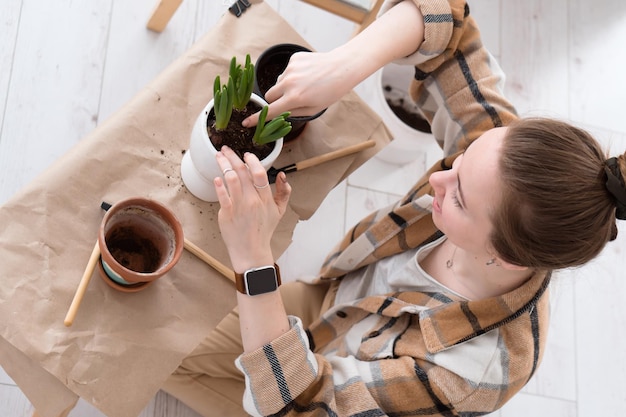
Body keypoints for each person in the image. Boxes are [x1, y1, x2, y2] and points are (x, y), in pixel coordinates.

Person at [163, 0, 626, 416]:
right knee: (171, 341)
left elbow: (301, 404)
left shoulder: (476, 373)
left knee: (167, 366)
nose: (437, 178)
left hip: (329, 382)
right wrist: (343, 67)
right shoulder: (503, 162)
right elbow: (448, 20)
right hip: (333, 300)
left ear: (505, 256)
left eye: (458, 197)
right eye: (462, 158)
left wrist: (254, 261)